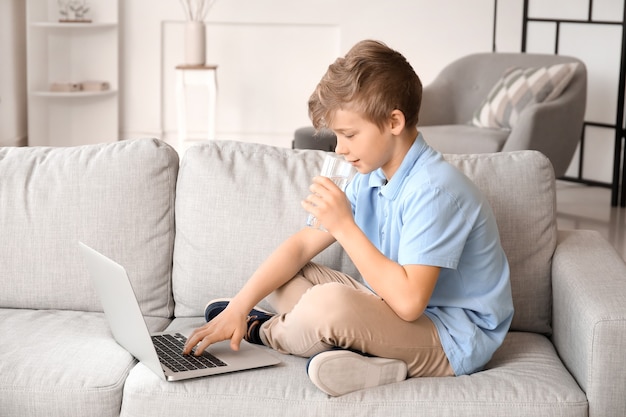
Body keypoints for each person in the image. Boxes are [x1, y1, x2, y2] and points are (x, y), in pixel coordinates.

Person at [183, 39, 514, 396]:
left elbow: (408, 303)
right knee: (289, 274)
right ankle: (367, 360)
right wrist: (237, 306)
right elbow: (299, 247)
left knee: (328, 304)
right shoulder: (371, 176)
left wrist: (343, 225)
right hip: (391, 311)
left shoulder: (434, 190)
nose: (340, 149)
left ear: (394, 122)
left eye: (349, 134)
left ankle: (262, 331)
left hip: (450, 338)